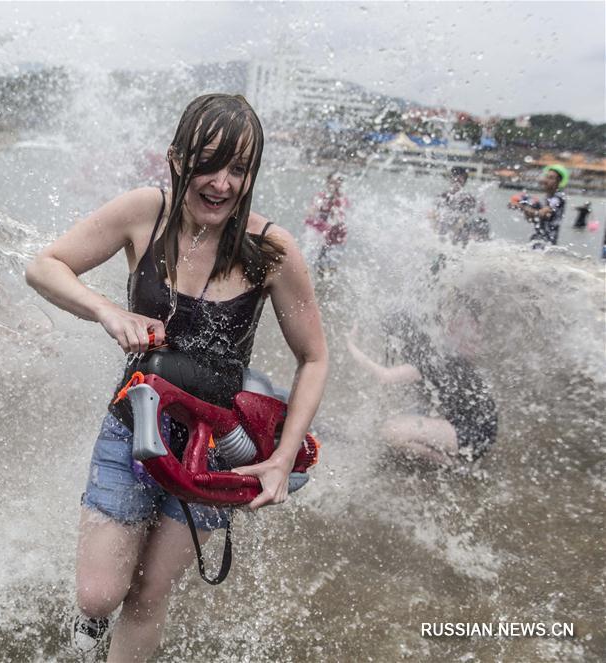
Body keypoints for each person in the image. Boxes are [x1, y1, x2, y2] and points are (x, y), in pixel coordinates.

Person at [25, 94, 328, 660]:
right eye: (208, 163)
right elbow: (44, 266)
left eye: (239, 169)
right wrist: (107, 310)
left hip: (217, 448)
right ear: (176, 157)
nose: (221, 183)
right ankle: (91, 626)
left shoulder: (271, 250)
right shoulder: (146, 212)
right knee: (98, 594)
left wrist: (284, 458)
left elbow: (314, 358)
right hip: (133, 425)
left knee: (147, 593)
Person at [346, 302, 497, 466]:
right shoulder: (439, 351)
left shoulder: (426, 360)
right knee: (406, 421)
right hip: (484, 429)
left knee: (391, 431)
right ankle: (456, 457)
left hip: (473, 434)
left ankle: (451, 464)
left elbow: (385, 376)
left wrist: (351, 346)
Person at [508, 164, 568, 247]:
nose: (546, 180)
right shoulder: (548, 198)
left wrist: (521, 206)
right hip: (539, 239)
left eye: (551, 178)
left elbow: (543, 214)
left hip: (547, 243)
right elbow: (534, 218)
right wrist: (525, 208)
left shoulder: (558, 197)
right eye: (546, 177)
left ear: (558, 182)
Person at [430, 167, 489, 246]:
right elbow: (434, 216)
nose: (456, 184)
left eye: (460, 181)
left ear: (464, 183)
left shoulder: (468, 199)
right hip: (444, 229)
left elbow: (464, 219)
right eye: (455, 180)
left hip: (459, 232)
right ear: (450, 180)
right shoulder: (442, 197)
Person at [303, 172, 349, 274]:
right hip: (319, 233)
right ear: (327, 183)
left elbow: (342, 218)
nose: (335, 186)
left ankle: (326, 280)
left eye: (338, 183)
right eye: (332, 182)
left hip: (335, 236)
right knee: (314, 261)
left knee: (331, 266)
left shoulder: (342, 200)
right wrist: (320, 208)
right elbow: (311, 212)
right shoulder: (321, 197)